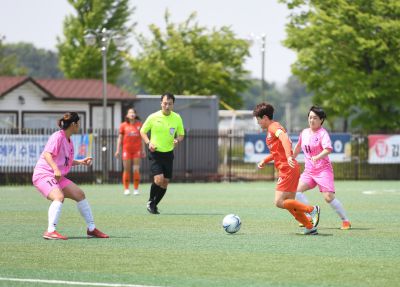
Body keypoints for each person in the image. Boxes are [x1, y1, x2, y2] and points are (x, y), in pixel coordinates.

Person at [32, 112, 109, 240]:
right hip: (43, 174)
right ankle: (50, 231)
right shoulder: (57, 136)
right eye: (78, 123)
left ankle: (91, 229)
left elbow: (65, 161)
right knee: (59, 197)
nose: (79, 126)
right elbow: (47, 154)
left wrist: (80, 162)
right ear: (74, 124)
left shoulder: (69, 141)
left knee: (80, 194)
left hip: (57, 176)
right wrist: (56, 169)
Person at [254, 102, 320, 235]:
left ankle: (311, 210)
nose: (258, 123)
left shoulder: (274, 127)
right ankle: (309, 227)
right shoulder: (271, 130)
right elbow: (276, 152)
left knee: (279, 202)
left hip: (287, 168)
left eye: (258, 119)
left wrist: (289, 156)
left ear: (265, 118)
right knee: (289, 203)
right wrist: (265, 160)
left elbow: (284, 138)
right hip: (289, 168)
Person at [293, 106, 351, 230]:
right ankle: (310, 214)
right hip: (309, 171)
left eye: (315, 118)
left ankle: (345, 221)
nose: (312, 120)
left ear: (321, 120)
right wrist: (291, 158)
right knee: (295, 191)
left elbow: (328, 149)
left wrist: (317, 157)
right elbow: (298, 147)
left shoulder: (323, 133)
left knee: (328, 197)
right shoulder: (304, 132)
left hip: (323, 170)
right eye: (310, 117)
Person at [140, 93, 185, 214]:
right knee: (159, 179)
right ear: (161, 103)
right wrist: (148, 143)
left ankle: (154, 205)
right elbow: (142, 131)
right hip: (155, 153)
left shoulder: (177, 117)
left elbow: (181, 134)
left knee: (165, 183)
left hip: (168, 154)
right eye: (165, 103)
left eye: (170, 103)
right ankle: (150, 201)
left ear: (173, 104)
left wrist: (177, 140)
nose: (167, 106)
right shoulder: (153, 117)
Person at [115, 107, 145, 195]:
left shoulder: (139, 125)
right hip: (126, 150)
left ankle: (136, 189)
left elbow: (142, 138)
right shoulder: (123, 125)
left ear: (135, 115)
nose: (132, 114)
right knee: (126, 169)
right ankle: (126, 189)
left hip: (137, 150)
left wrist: (143, 150)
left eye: (133, 113)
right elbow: (120, 138)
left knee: (136, 169)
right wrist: (117, 150)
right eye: (130, 113)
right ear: (127, 115)